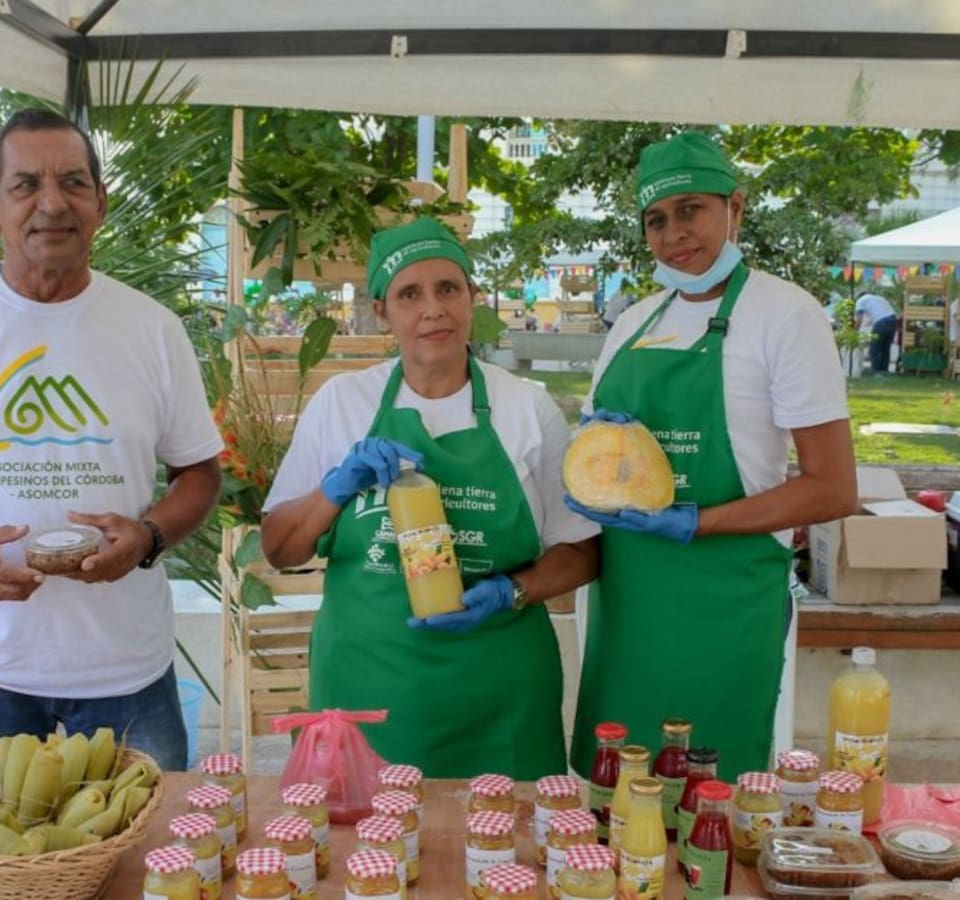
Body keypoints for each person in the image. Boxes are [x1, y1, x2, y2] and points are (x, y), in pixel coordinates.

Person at [0, 108, 223, 768]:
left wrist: (148, 537)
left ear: (100, 203)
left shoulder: (153, 330)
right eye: (26, 185)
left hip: (126, 666)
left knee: (149, 836)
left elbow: (199, 473)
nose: (52, 203)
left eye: (73, 182)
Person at [260, 218, 600, 779]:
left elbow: (582, 551)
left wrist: (512, 591)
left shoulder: (526, 407)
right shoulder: (343, 403)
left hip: (499, 693)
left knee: (506, 833)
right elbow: (279, 548)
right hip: (368, 691)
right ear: (381, 311)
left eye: (448, 289)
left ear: (472, 297)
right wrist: (334, 488)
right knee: (364, 834)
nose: (433, 310)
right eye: (409, 295)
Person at [565, 131, 857, 782]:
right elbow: (591, 453)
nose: (674, 233)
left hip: (724, 599)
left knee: (709, 794)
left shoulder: (785, 316)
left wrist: (696, 521)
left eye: (691, 209)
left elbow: (833, 487)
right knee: (621, 789)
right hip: (629, 601)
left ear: (736, 208)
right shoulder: (634, 324)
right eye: (656, 219)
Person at [854, 291, 898, 373]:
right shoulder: (879, 298)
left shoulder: (860, 300)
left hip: (881, 322)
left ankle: (876, 372)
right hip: (893, 321)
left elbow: (859, 319)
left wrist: (854, 331)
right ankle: (884, 372)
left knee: (874, 349)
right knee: (885, 349)